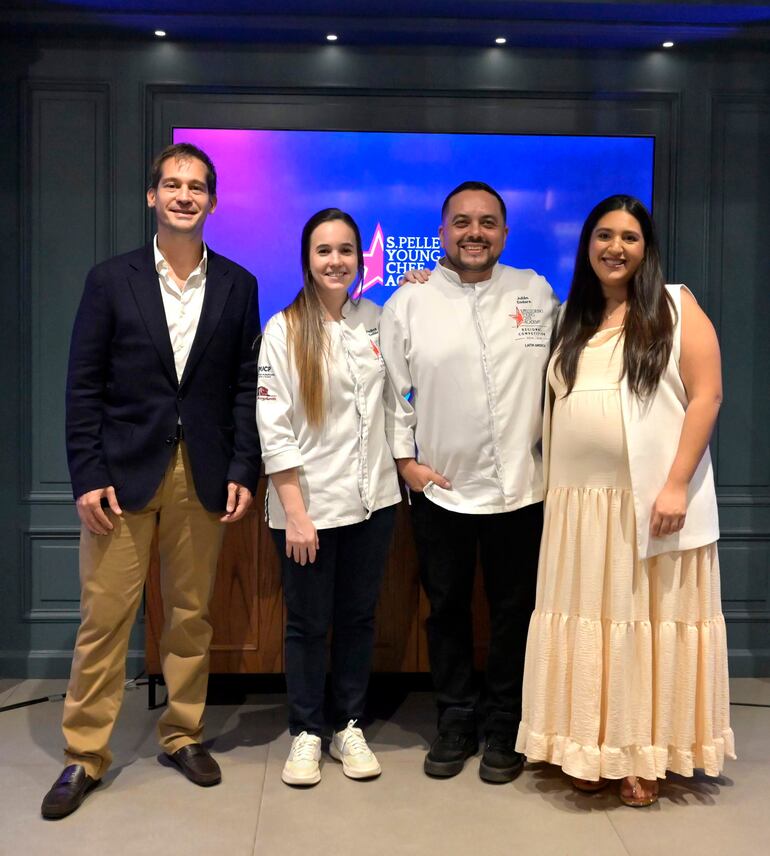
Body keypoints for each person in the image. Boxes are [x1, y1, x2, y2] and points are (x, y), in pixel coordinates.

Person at [41, 143, 261, 819]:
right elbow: (83, 386)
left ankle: (182, 734)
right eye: (172, 184)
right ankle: (85, 753)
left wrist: (242, 468)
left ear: (213, 202)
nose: (184, 196)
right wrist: (86, 474)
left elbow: (246, 387)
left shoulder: (238, 284)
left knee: (190, 617)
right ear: (151, 196)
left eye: (197, 186)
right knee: (105, 620)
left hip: (204, 475)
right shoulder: (111, 280)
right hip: (121, 476)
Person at [515, 195, 735, 806]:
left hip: (648, 505)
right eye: (605, 235)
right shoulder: (571, 318)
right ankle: (588, 747)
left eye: (630, 237)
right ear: (587, 246)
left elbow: (707, 396)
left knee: (643, 629)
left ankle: (643, 757)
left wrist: (675, 484)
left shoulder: (675, 305)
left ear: (647, 248)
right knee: (591, 627)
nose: (616, 247)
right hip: (576, 510)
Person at [379, 181, 559, 783]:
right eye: (461, 222)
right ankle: (455, 718)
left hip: (523, 489)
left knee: (515, 611)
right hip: (443, 490)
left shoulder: (535, 293)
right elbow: (391, 394)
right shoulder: (409, 301)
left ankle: (505, 722)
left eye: (486, 222)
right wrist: (407, 464)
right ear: (442, 233)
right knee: (447, 610)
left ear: (505, 233)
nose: (474, 232)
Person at [256, 208, 401, 787]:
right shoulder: (284, 329)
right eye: (324, 251)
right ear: (307, 259)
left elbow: (397, 401)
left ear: (360, 258)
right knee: (309, 623)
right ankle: (307, 731)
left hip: (375, 504)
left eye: (346, 250)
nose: (336, 261)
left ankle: (348, 724)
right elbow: (274, 425)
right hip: (307, 508)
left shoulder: (380, 320)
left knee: (358, 618)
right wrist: (295, 514)